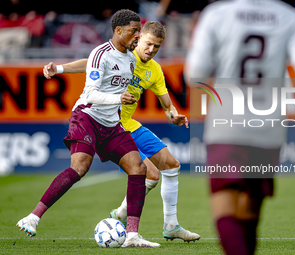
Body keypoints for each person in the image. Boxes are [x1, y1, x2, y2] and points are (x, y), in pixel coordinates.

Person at [43, 21, 200, 242]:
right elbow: (90, 64)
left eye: (156, 46)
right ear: (140, 38)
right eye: (147, 43)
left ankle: (171, 226)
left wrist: (173, 115)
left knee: (172, 165)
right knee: (151, 174)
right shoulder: (124, 54)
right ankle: (122, 215)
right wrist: (59, 69)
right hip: (110, 124)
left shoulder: (155, 70)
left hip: (130, 123)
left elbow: (167, 104)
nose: (151, 50)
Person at [16, 9, 161, 248]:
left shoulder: (131, 58)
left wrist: (61, 68)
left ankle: (132, 235)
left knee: (138, 167)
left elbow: (89, 65)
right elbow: (92, 92)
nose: (138, 35)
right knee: (80, 167)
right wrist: (118, 99)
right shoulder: (101, 52)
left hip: (111, 124)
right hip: (87, 116)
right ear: (118, 30)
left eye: (139, 30)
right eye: (135, 30)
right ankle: (32, 217)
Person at [186, 0, 295, 254]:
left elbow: (196, 73)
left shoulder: (217, 14)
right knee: (250, 210)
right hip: (269, 126)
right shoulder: (292, 18)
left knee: (225, 203)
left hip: (227, 124)